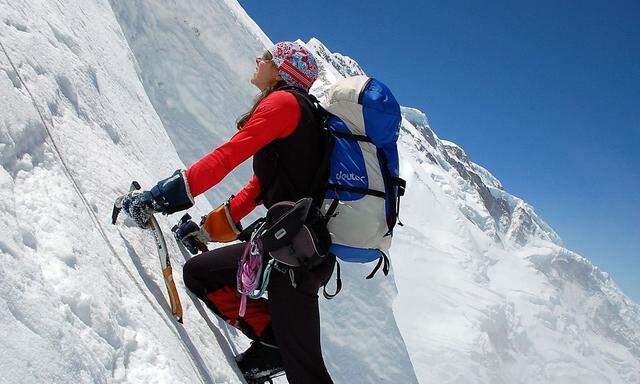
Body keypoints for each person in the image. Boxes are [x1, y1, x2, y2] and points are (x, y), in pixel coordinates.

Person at [122, 41, 335, 384]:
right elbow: (257, 190)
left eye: (267, 57)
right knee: (200, 274)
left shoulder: (284, 104)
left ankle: (282, 345)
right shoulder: (299, 115)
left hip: (298, 256)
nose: (258, 60)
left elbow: (228, 155)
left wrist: (162, 196)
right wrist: (205, 231)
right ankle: (274, 343)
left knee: (307, 371)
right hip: (286, 245)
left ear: (281, 70)